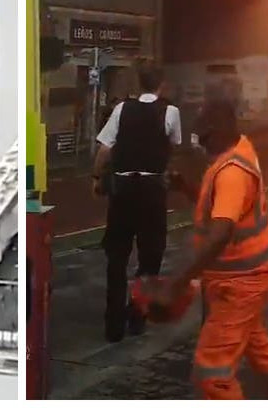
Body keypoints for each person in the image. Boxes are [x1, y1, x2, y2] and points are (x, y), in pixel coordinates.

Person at [150, 100, 268, 400]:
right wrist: (186, 187)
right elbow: (220, 209)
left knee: (212, 375)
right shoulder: (234, 155)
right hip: (246, 278)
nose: (201, 145)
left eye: (203, 138)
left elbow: (220, 234)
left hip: (239, 285)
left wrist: (176, 284)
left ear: (217, 130)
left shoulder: (232, 171)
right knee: (261, 351)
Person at [92, 61, 182, 342]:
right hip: (151, 191)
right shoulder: (170, 112)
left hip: (122, 191)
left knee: (116, 258)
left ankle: (113, 325)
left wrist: (97, 178)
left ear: (140, 83)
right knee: (149, 257)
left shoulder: (122, 109)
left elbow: (105, 149)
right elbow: (175, 145)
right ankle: (137, 316)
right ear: (161, 84)